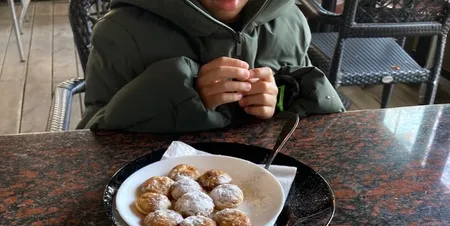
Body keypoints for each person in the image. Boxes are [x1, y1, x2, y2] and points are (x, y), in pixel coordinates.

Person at [78, 0, 344, 132]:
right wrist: (182, 95)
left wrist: (280, 98)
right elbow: (91, 136)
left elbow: (311, 122)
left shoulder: (291, 21)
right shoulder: (119, 32)